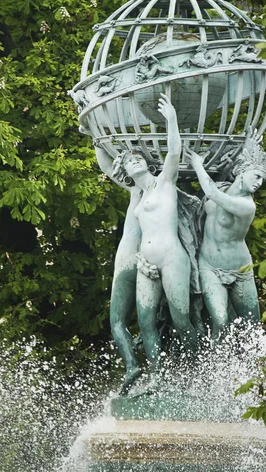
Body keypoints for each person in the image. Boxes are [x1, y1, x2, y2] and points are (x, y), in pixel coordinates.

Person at [113, 94, 198, 377]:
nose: (134, 161)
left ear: (147, 163)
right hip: (146, 265)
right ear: (124, 171)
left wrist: (171, 119)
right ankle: (157, 377)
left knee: (181, 319)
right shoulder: (136, 196)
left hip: (172, 258)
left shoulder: (164, 182)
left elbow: (174, 152)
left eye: (138, 157)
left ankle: (199, 375)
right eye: (129, 161)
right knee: (145, 322)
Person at [186, 143, 266, 341]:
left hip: (240, 269)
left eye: (263, 179)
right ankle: (215, 366)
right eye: (257, 176)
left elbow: (211, 193)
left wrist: (197, 164)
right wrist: (247, 143)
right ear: (242, 173)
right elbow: (214, 182)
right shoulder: (223, 186)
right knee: (219, 320)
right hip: (209, 265)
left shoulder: (247, 205)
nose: (259, 183)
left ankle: (256, 367)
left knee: (252, 325)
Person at [94, 144, 144, 395]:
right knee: (152, 324)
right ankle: (157, 368)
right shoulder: (166, 188)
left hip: (128, 258)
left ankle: (132, 365)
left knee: (117, 321)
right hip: (156, 258)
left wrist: (95, 137)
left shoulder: (137, 188)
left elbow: (105, 166)